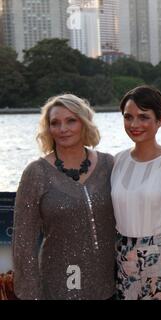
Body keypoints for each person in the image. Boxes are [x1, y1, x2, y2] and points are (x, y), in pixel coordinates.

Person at [12, 94, 116, 300]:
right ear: (48, 129)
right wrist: (31, 295)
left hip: (107, 284)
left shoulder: (109, 165)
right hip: (58, 284)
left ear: (84, 123)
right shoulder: (36, 172)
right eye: (55, 123)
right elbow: (23, 242)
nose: (63, 129)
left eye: (71, 120)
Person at [111, 85, 161, 300]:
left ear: (160, 120)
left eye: (143, 117)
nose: (134, 124)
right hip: (124, 257)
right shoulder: (117, 161)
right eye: (128, 117)